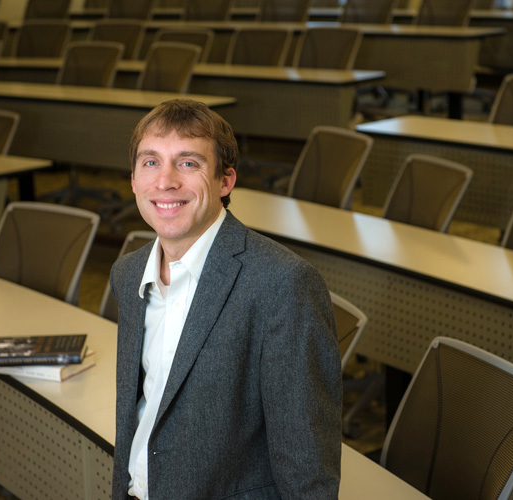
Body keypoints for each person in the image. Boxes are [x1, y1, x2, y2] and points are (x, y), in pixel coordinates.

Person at [109, 98, 342, 500]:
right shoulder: (128, 273)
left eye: (188, 163)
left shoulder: (283, 285)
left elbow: (307, 468)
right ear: (133, 180)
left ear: (225, 181)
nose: (164, 182)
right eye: (150, 162)